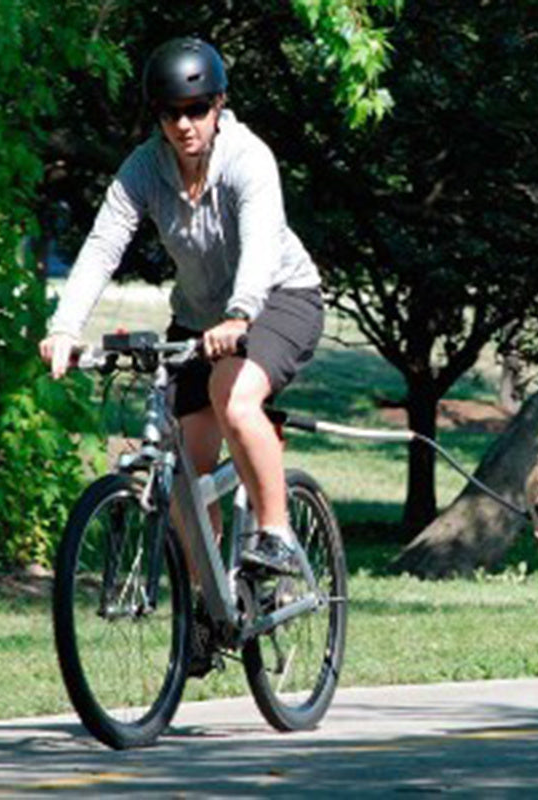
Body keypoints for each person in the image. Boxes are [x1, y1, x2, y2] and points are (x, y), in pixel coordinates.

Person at [39, 37, 324, 581]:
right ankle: (206, 608)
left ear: (218, 105)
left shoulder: (248, 158)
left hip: (279, 301)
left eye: (196, 109)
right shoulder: (144, 168)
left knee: (235, 400)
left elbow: (262, 242)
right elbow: (103, 246)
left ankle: (277, 534)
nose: (184, 124)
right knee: (181, 471)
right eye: (171, 113)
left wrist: (240, 315)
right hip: (197, 318)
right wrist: (65, 328)